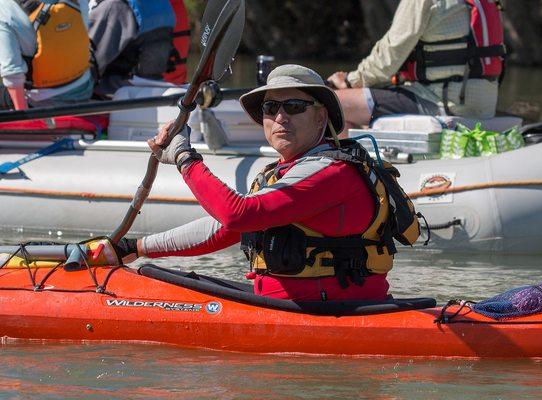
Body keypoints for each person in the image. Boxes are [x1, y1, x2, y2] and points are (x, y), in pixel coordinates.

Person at [101, 65, 421, 301]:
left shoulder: (331, 174)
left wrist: (185, 159)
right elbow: (227, 229)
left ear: (321, 118)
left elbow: (238, 214)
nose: (281, 117)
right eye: (271, 108)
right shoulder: (286, 171)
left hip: (328, 314)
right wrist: (135, 248)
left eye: (294, 107)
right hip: (288, 306)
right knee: (154, 273)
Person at [327, 0, 506, 134]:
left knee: (334, 104)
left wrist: (350, 81)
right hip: (483, 105)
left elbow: (388, 58)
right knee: (367, 103)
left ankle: (348, 174)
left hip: (442, 102)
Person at [0, 0, 93, 110]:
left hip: (42, 101)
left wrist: (25, 117)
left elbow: (12, 74)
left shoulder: (5, 8)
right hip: (84, 88)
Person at [88, 0, 176, 98]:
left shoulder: (113, 6)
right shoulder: (163, 4)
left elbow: (84, 67)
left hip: (113, 96)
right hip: (152, 91)